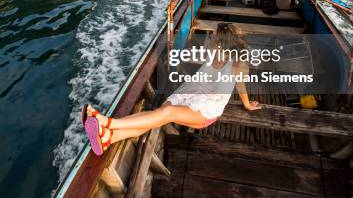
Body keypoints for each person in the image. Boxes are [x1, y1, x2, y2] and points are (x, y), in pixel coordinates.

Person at [83, 23, 261, 156]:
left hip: (206, 109)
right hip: (188, 92)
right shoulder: (211, 48)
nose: (210, 36)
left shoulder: (237, 64)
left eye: (214, 35)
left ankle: (108, 123)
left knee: (165, 113)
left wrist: (246, 104)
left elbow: (240, 84)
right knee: (157, 118)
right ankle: (109, 138)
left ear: (222, 42)